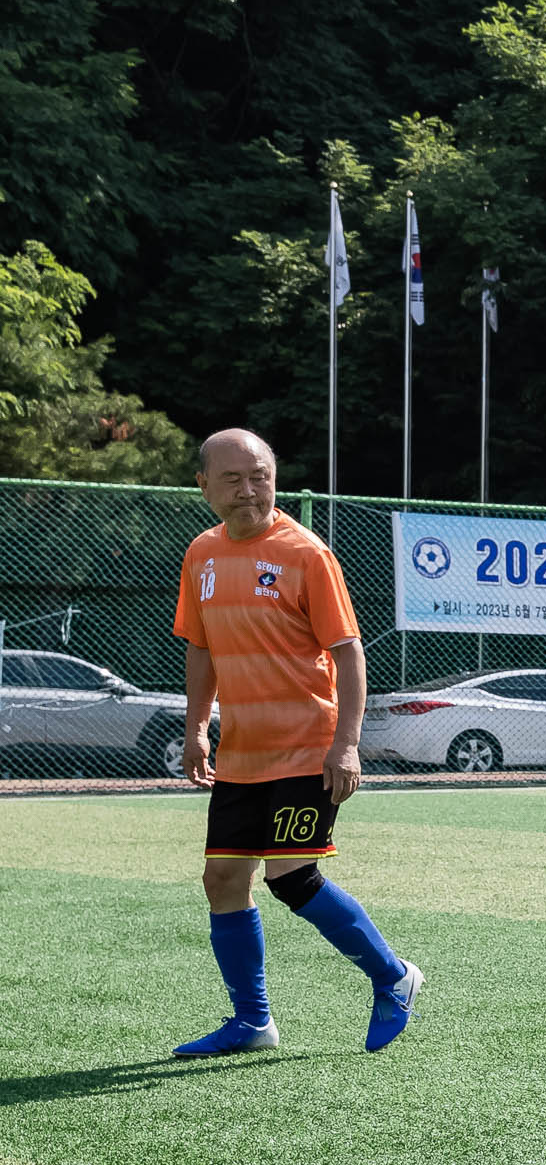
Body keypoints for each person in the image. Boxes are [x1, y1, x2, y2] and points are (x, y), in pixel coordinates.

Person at [172, 430, 422, 1056]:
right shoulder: (200, 554)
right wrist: (197, 727)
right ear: (204, 486)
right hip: (241, 755)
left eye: (260, 475)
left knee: (290, 874)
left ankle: (394, 978)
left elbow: (348, 654)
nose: (248, 489)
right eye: (232, 479)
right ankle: (253, 1023)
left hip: (306, 747)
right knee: (223, 881)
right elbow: (200, 650)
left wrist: (347, 744)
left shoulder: (305, 553)